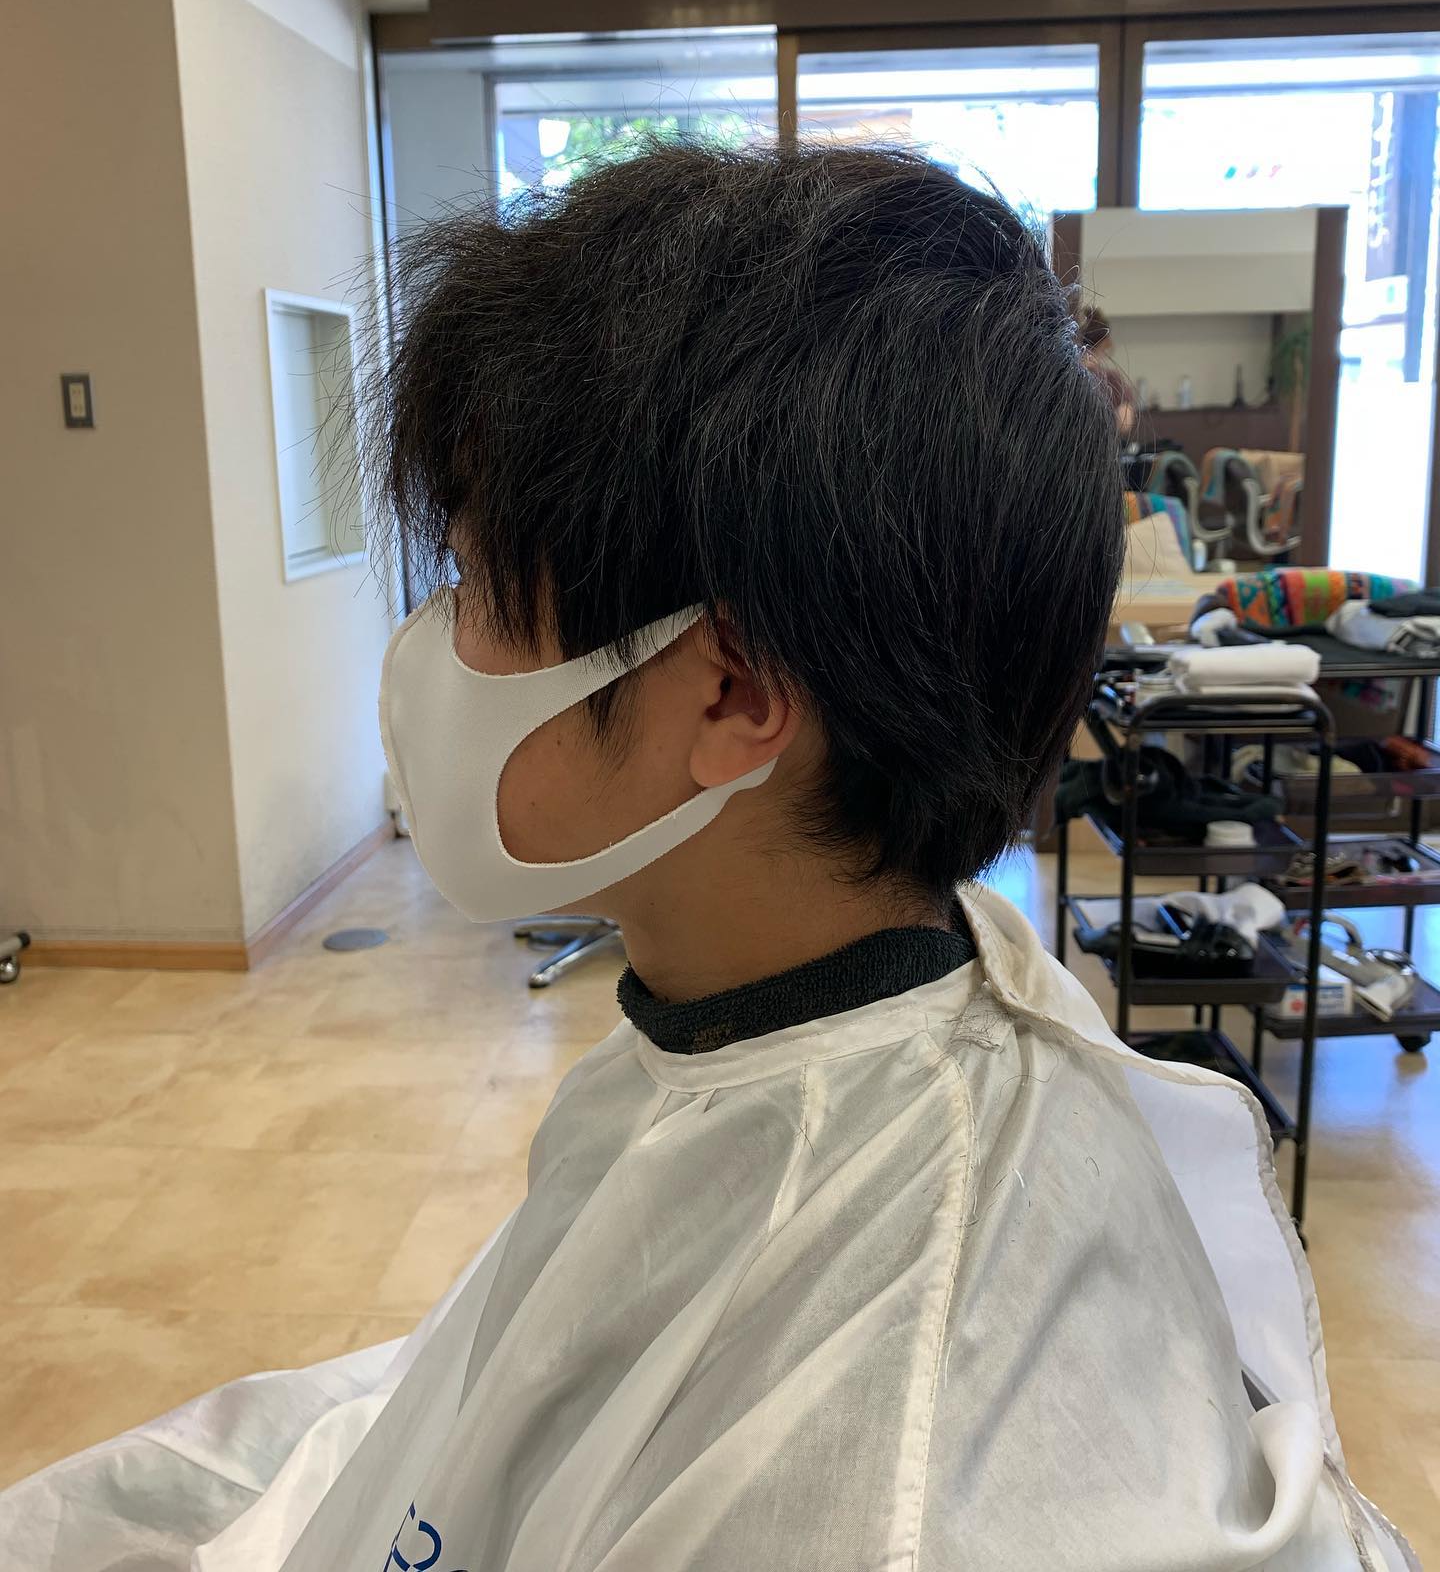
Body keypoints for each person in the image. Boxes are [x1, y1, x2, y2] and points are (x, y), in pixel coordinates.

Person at [3, 144, 1413, 1570]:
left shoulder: (893, 1477)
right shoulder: (750, 1017)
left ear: (732, 694)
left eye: (478, 585)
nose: (431, 650)